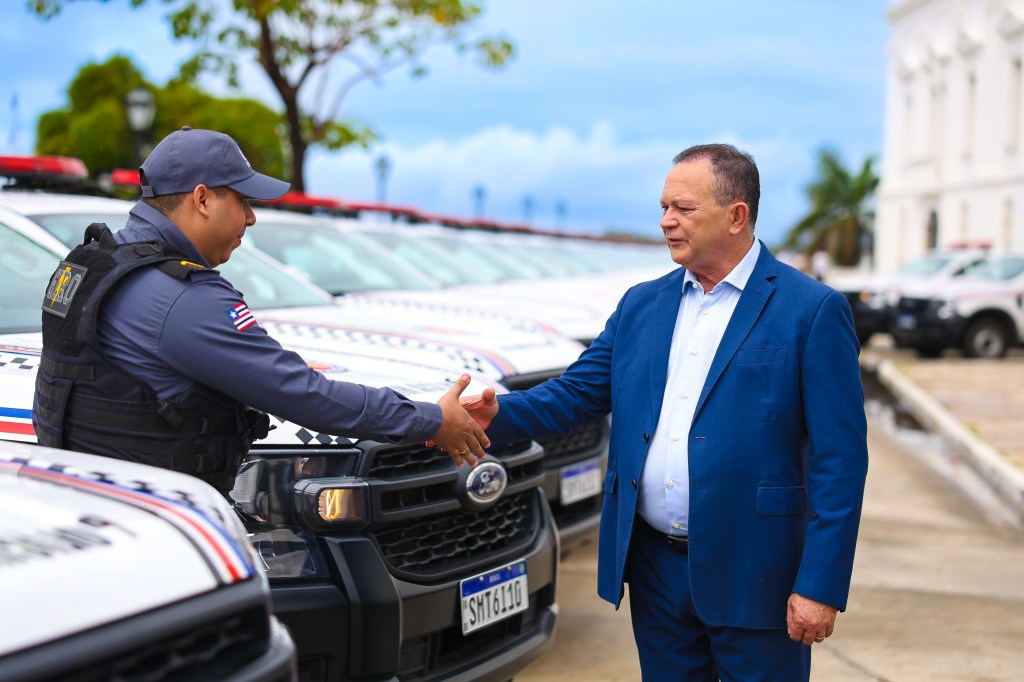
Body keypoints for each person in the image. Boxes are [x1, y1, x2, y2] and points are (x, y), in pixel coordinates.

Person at [462, 144, 868, 680]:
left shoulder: (810, 310)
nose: (666, 222)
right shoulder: (642, 304)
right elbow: (578, 392)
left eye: (682, 208)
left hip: (757, 570)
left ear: (736, 215)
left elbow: (840, 461)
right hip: (654, 568)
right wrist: (497, 416)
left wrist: (818, 584)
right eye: (662, 208)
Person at [34, 126, 489, 494]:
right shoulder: (184, 296)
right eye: (244, 201)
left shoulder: (90, 262)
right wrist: (429, 417)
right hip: (161, 517)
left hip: (88, 497)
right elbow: (302, 394)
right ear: (202, 198)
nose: (251, 219)